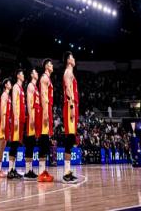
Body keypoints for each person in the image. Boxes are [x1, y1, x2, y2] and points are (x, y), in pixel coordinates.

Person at [62, 51, 79, 183]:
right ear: (68, 60)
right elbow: (68, 90)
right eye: (72, 57)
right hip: (70, 105)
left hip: (72, 105)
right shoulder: (68, 72)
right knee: (69, 138)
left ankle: (68, 171)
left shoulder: (70, 72)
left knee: (72, 138)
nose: (74, 59)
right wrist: (72, 106)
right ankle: (66, 173)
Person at [38, 58, 54, 182]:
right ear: (46, 67)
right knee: (43, 140)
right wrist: (45, 113)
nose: (52, 65)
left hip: (48, 108)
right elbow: (43, 96)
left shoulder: (48, 78)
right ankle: (41, 172)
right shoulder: (44, 78)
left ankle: (43, 171)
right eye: (50, 64)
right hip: (45, 109)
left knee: (45, 140)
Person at [8, 69, 25, 179]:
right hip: (17, 118)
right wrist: (15, 118)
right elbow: (14, 102)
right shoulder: (15, 87)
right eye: (22, 74)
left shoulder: (21, 88)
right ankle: (10, 170)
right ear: (18, 76)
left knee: (17, 144)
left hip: (21, 118)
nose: (23, 76)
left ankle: (13, 169)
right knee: (14, 143)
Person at [24, 68, 40, 180]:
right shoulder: (30, 85)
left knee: (32, 143)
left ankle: (30, 170)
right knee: (29, 143)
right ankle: (27, 171)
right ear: (31, 74)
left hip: (36, 116)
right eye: (35, 72)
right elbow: (29, 103)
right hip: (32, 116)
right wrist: (31, 117)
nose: (37, 73)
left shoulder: (36, 88)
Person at [0, 78, 12, 177]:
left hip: (7, 120)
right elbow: (1, 110)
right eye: (9, 83)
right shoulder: (4, 95)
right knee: (1, 145)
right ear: (5, 85)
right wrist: (2, 123)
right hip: (3, 120)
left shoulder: (8, 96)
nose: (10, 84)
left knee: (4, 145)